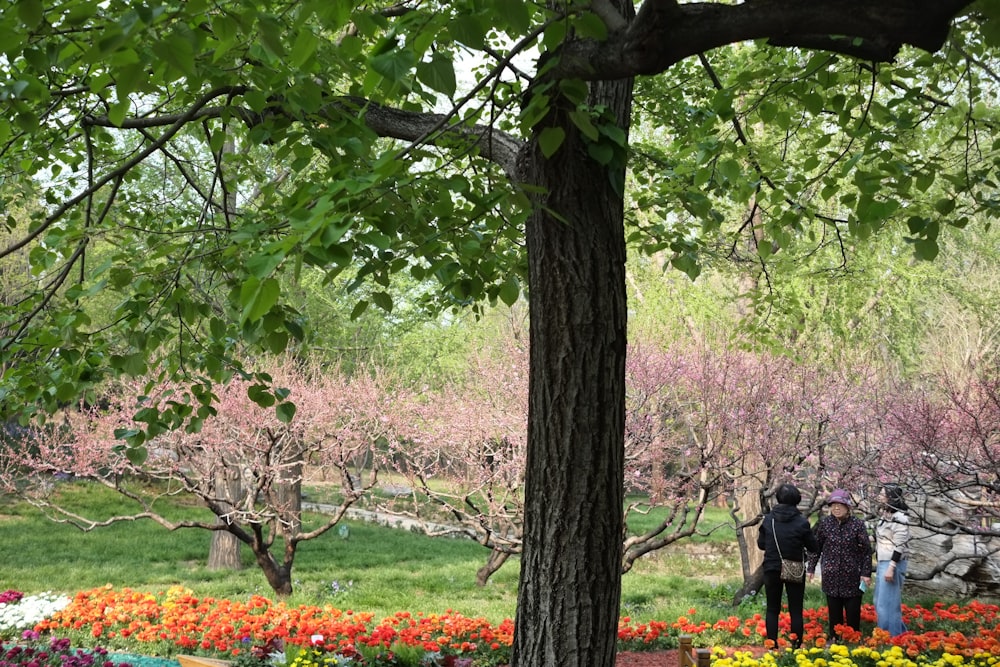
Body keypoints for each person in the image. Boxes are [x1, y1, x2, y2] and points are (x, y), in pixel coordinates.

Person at [758, 483, 819, 649]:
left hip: (771, 567)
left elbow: (761, 544)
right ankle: (796, 646)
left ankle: (771, 646)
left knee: (772, 609)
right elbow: (813, 547)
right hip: (794, 566)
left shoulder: (768, 520)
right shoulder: (801, 522)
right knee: (795, 610)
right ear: (797, 500)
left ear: (778, 498)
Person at [807, 489, 873, 641]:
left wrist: (866, 573)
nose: (836, 508)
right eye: (833, 505)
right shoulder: (825, 524)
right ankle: (834, 638)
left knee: (852, 612)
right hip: (831, 575)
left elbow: (866, 551)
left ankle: (853, 639)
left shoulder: (857, 525)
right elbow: (816, 548)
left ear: (848, 507)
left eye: (840, 505)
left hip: (852, 576)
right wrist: (811, 567)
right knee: (834, 611)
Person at [873, 483, 910, 636]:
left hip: (892, 563)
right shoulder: (886, 516)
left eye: (883, 494)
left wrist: (891, 567)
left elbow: (899, 545)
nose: (879, 497)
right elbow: (881, 537)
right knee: (880, 601)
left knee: (887, 604)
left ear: (891, 497)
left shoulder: (900, 518)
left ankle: (889, 637)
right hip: (883, 562)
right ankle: (898, 634)